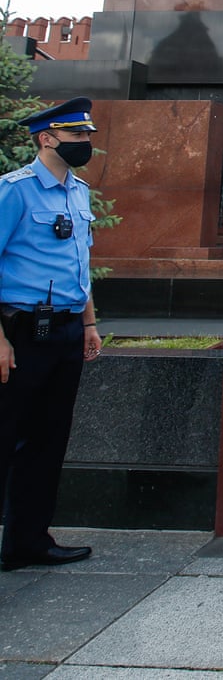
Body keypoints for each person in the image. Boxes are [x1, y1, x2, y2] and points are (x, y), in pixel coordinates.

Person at [0, 97, 103, 571]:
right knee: (6, 437)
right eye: (76, 135)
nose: (84, 142)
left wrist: (89, 323)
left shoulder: (78, 192)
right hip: (19, 333)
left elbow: (80, 264)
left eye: (87, 135)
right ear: (46, 138)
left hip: (64, 331)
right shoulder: (14, 191)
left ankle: (28, 541)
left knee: (47, 441)